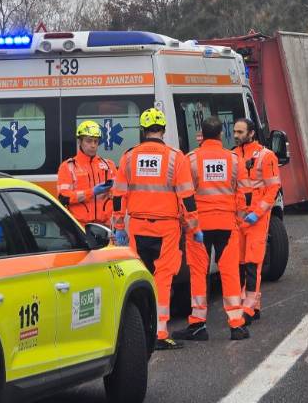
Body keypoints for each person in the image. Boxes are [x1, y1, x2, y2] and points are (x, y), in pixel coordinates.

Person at [112, 108, 203, 350]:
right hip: (167, 228)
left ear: (143, 131)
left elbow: (118, 194)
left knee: (139, 277)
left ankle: (140, 329)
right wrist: (193, 227)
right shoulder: (176, 157)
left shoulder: (129, 157)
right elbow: (187, 196)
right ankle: (160, 333)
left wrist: (119, 225)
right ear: (163, 130)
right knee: (162, 278)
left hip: (138, 226)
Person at [172, 117, 250, 342]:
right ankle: (236, 325)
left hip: (199, 227)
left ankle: (198, 325)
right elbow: (243, 194)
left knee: (198, 273)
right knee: (230, 273)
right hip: (227, 225)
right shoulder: (234, 160)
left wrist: (187, 223)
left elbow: (185, 195)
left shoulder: (191, 160)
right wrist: (239, 219)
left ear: (202, 135)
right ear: (220, 136)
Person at [233, 119, 281, 325]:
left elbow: (273, 189)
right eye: (235, 131)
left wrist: (258, 212)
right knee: (240, 263)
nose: (236, 135)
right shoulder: (232, 155)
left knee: (252, 263)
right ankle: (253, 305)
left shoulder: (266, 156)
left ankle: (249, 308)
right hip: (238, 217)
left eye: (240, 131)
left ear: (251, 133)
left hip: (256, 218)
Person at [57, 121, 117, 227]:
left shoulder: (109, 166)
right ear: (80, 141)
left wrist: (118, 225)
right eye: (89, 141)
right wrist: (91, 192)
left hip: (106, 226)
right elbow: (63, 197)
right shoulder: (68, 166)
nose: (93, 145)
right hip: (80, 227)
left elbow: (118, 196)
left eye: (96, 141)